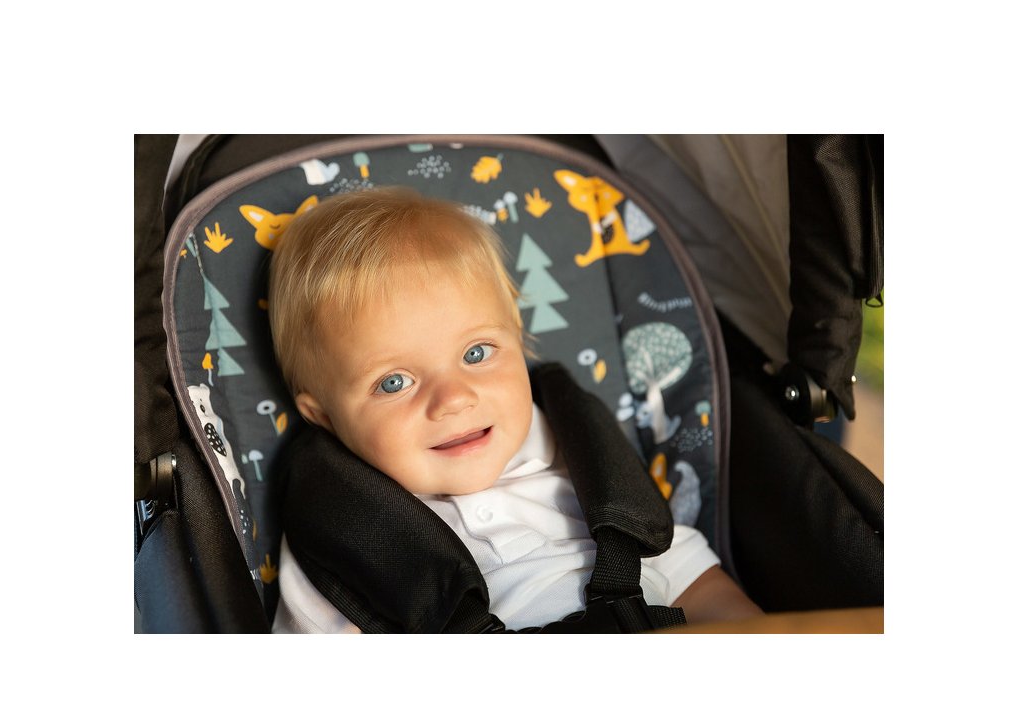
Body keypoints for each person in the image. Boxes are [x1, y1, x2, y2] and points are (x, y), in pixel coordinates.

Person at [267, 186, 761, 633]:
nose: (454, 398)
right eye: (394, 382)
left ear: (519, 343)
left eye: (476, 353)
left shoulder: (582, 465)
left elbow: (700, 586)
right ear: (324, 416)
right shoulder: (347, 529)